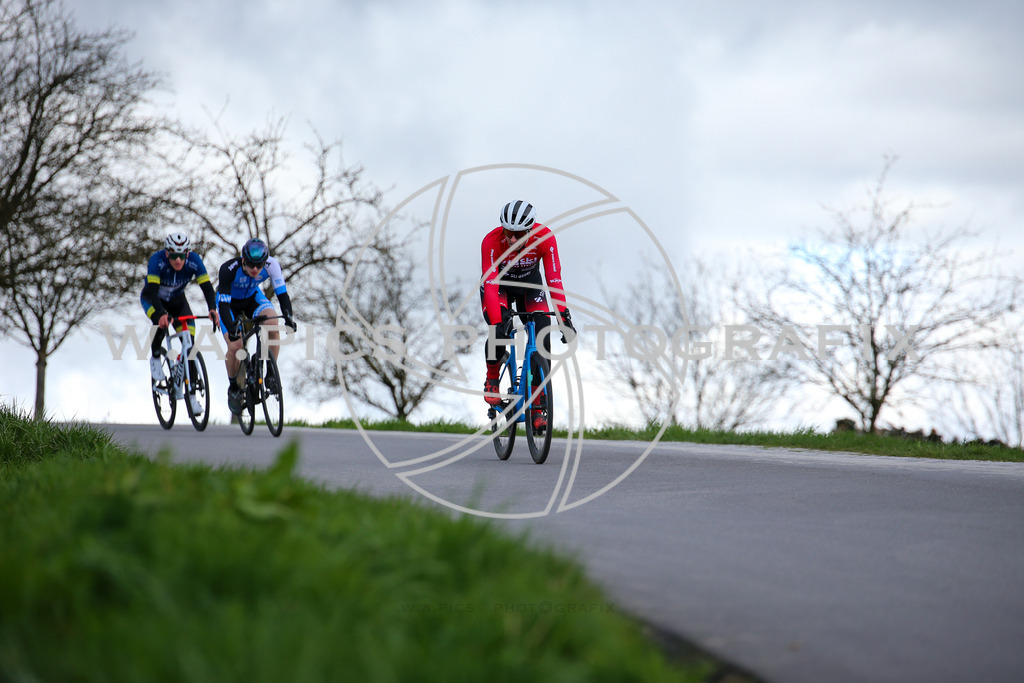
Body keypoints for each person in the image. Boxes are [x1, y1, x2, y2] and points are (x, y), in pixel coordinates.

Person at [480, 200, 576, 430]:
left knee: (543, 336)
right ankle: (493, 377)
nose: (513, 239)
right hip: (498, 287)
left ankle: (537, 404)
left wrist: (564, 317)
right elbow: (491, 285)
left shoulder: (545, 238)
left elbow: (554, 279)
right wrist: (497, 322)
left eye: (519, 234)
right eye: (509, 233)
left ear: (531, 230)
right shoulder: (491, 242)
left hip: (529, 286)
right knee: (499, 329)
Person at [140, 231, 220, 415]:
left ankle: (191, 397)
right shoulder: (156, 261)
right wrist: (161, 314)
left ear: (187, 254)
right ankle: (155, 357)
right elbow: (152, 291)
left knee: (189, 344)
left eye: (182, 255)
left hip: (177, 301)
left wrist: (212, 308)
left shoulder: (194, 261)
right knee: (161, 323)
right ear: (167, 253)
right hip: (154, 300)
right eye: (174, 255)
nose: (178, 260)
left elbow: (207, 287)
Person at [217, 238, 296, 415]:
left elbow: (282, 295)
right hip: (229, 304)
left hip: (253, 298)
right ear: (243, 260)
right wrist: (231, 328)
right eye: (251, 265)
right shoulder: (228, 270)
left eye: (259, 266)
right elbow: (223, 306)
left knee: (273, 322)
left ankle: (270, 375)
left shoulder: (272, 265)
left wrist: (289, 317)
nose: (255, 270)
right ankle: (234, 388)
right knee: (235, 346)